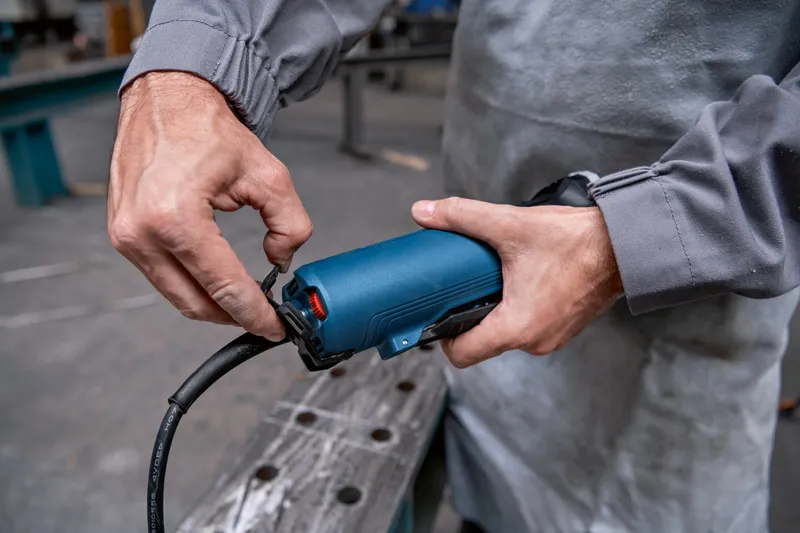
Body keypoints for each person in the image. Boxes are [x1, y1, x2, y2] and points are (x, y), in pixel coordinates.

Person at [107, 1, 800, 532]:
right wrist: (189, 70)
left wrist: (636, 234)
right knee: (489, 492)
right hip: (486, 294)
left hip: (685, 310)